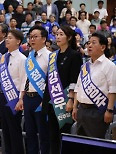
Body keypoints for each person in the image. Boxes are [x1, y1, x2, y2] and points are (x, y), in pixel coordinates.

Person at [42, 25, 83, 154]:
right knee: (52, 136)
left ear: (69, 37)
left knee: (64, 136)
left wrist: (71, 100)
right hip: (51, 100)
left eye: (61, 34)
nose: (57, 37)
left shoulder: (75, 55)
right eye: (57, 34)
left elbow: (74, 80)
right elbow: (49, 79)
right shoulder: (53, 55)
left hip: (64, 101)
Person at [72, 33, 116, 139]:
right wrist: (74, 107)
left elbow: (113, 90)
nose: (89, 45)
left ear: (103, 47)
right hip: (81, 109)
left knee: (95, 145)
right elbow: (78, 87)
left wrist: (109, 110)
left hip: (98, 111)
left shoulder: (110, 66)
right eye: (88, 43)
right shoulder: (85, 66)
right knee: (81, 144)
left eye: (93, 43)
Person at [0, 29, 26, 154]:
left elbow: (23, 81)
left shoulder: (22, 59)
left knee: (14, 129)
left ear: (18, 41)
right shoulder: (2, 57)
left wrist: (21, 99)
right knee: (4, 128)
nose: (7, 40)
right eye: (7, 37)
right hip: (2, 96)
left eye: (10, 38)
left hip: (14, 98)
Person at [23, 25, 50, 154]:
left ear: (44, 39)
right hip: (28, 97)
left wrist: (45, 100)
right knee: (30, 133)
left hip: (41, 99)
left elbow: (51, 82)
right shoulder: (30, 55)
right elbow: (26, 78)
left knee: (43, 133)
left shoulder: (51, 56)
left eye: (35, 37)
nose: (32, 40)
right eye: (30, 37)